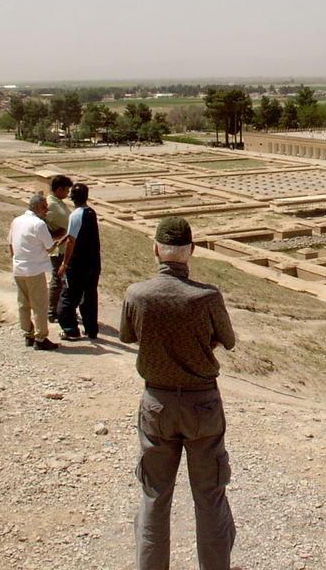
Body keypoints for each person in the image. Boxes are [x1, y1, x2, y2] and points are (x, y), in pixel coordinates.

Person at [120, 216, 237, 570]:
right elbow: (228, 340)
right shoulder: (207, 297)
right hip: (202, 405)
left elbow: (127, 335)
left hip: (157, 404)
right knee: (210, 498)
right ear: (192, 251)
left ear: (156, 251)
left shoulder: (137, 294)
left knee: (154, 498)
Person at [7, 193, 59, 351]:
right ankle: (41, 337)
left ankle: (28, 333)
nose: (46, 210)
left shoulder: (17, 220)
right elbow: (49, 247)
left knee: (23, 303)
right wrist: (58, 242)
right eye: (44, 207)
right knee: (39, 305)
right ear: (35, 207)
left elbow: (11, 244)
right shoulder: (39, 224)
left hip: (19, 268)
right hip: (34, 270)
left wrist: (16, 259)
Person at [56, 182, 101, 339]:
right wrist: (63, 239)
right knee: (89, 297)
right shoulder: (90, 212)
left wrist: (64, 264)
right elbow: (76, 233)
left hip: (78, 264)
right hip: (93, 262)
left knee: (68, 297)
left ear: (72, 198)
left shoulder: (75, 215)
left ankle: (70, 330)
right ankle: (91, 330)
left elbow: (72, 241)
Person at [45, 174, 74, 322]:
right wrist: (53, 234)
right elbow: (39, 223)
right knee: (57, 281)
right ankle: (52, 312)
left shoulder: (58, 202)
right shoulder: (50, 204)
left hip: (65, 247)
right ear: (59, 189)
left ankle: (61, 309)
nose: (68, 193)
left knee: (64, 282)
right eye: (66, 190)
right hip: (58, 250)